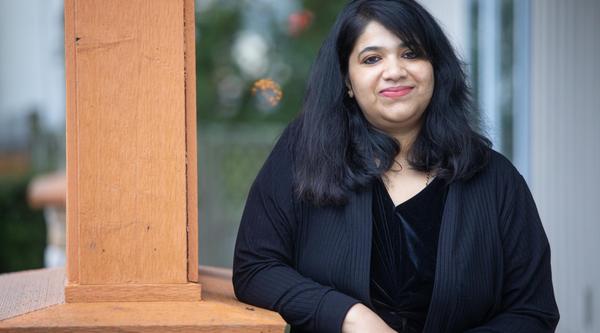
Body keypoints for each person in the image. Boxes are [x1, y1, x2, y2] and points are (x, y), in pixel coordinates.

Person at [232, 0, 559, 332]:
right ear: (347, 79)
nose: (394, 71)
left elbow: (533, 312)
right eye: (372, 59)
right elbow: (256, 268)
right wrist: (349, 316)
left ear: (436, 67)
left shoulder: (496, 179)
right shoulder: (303, 154)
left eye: (411, 53)